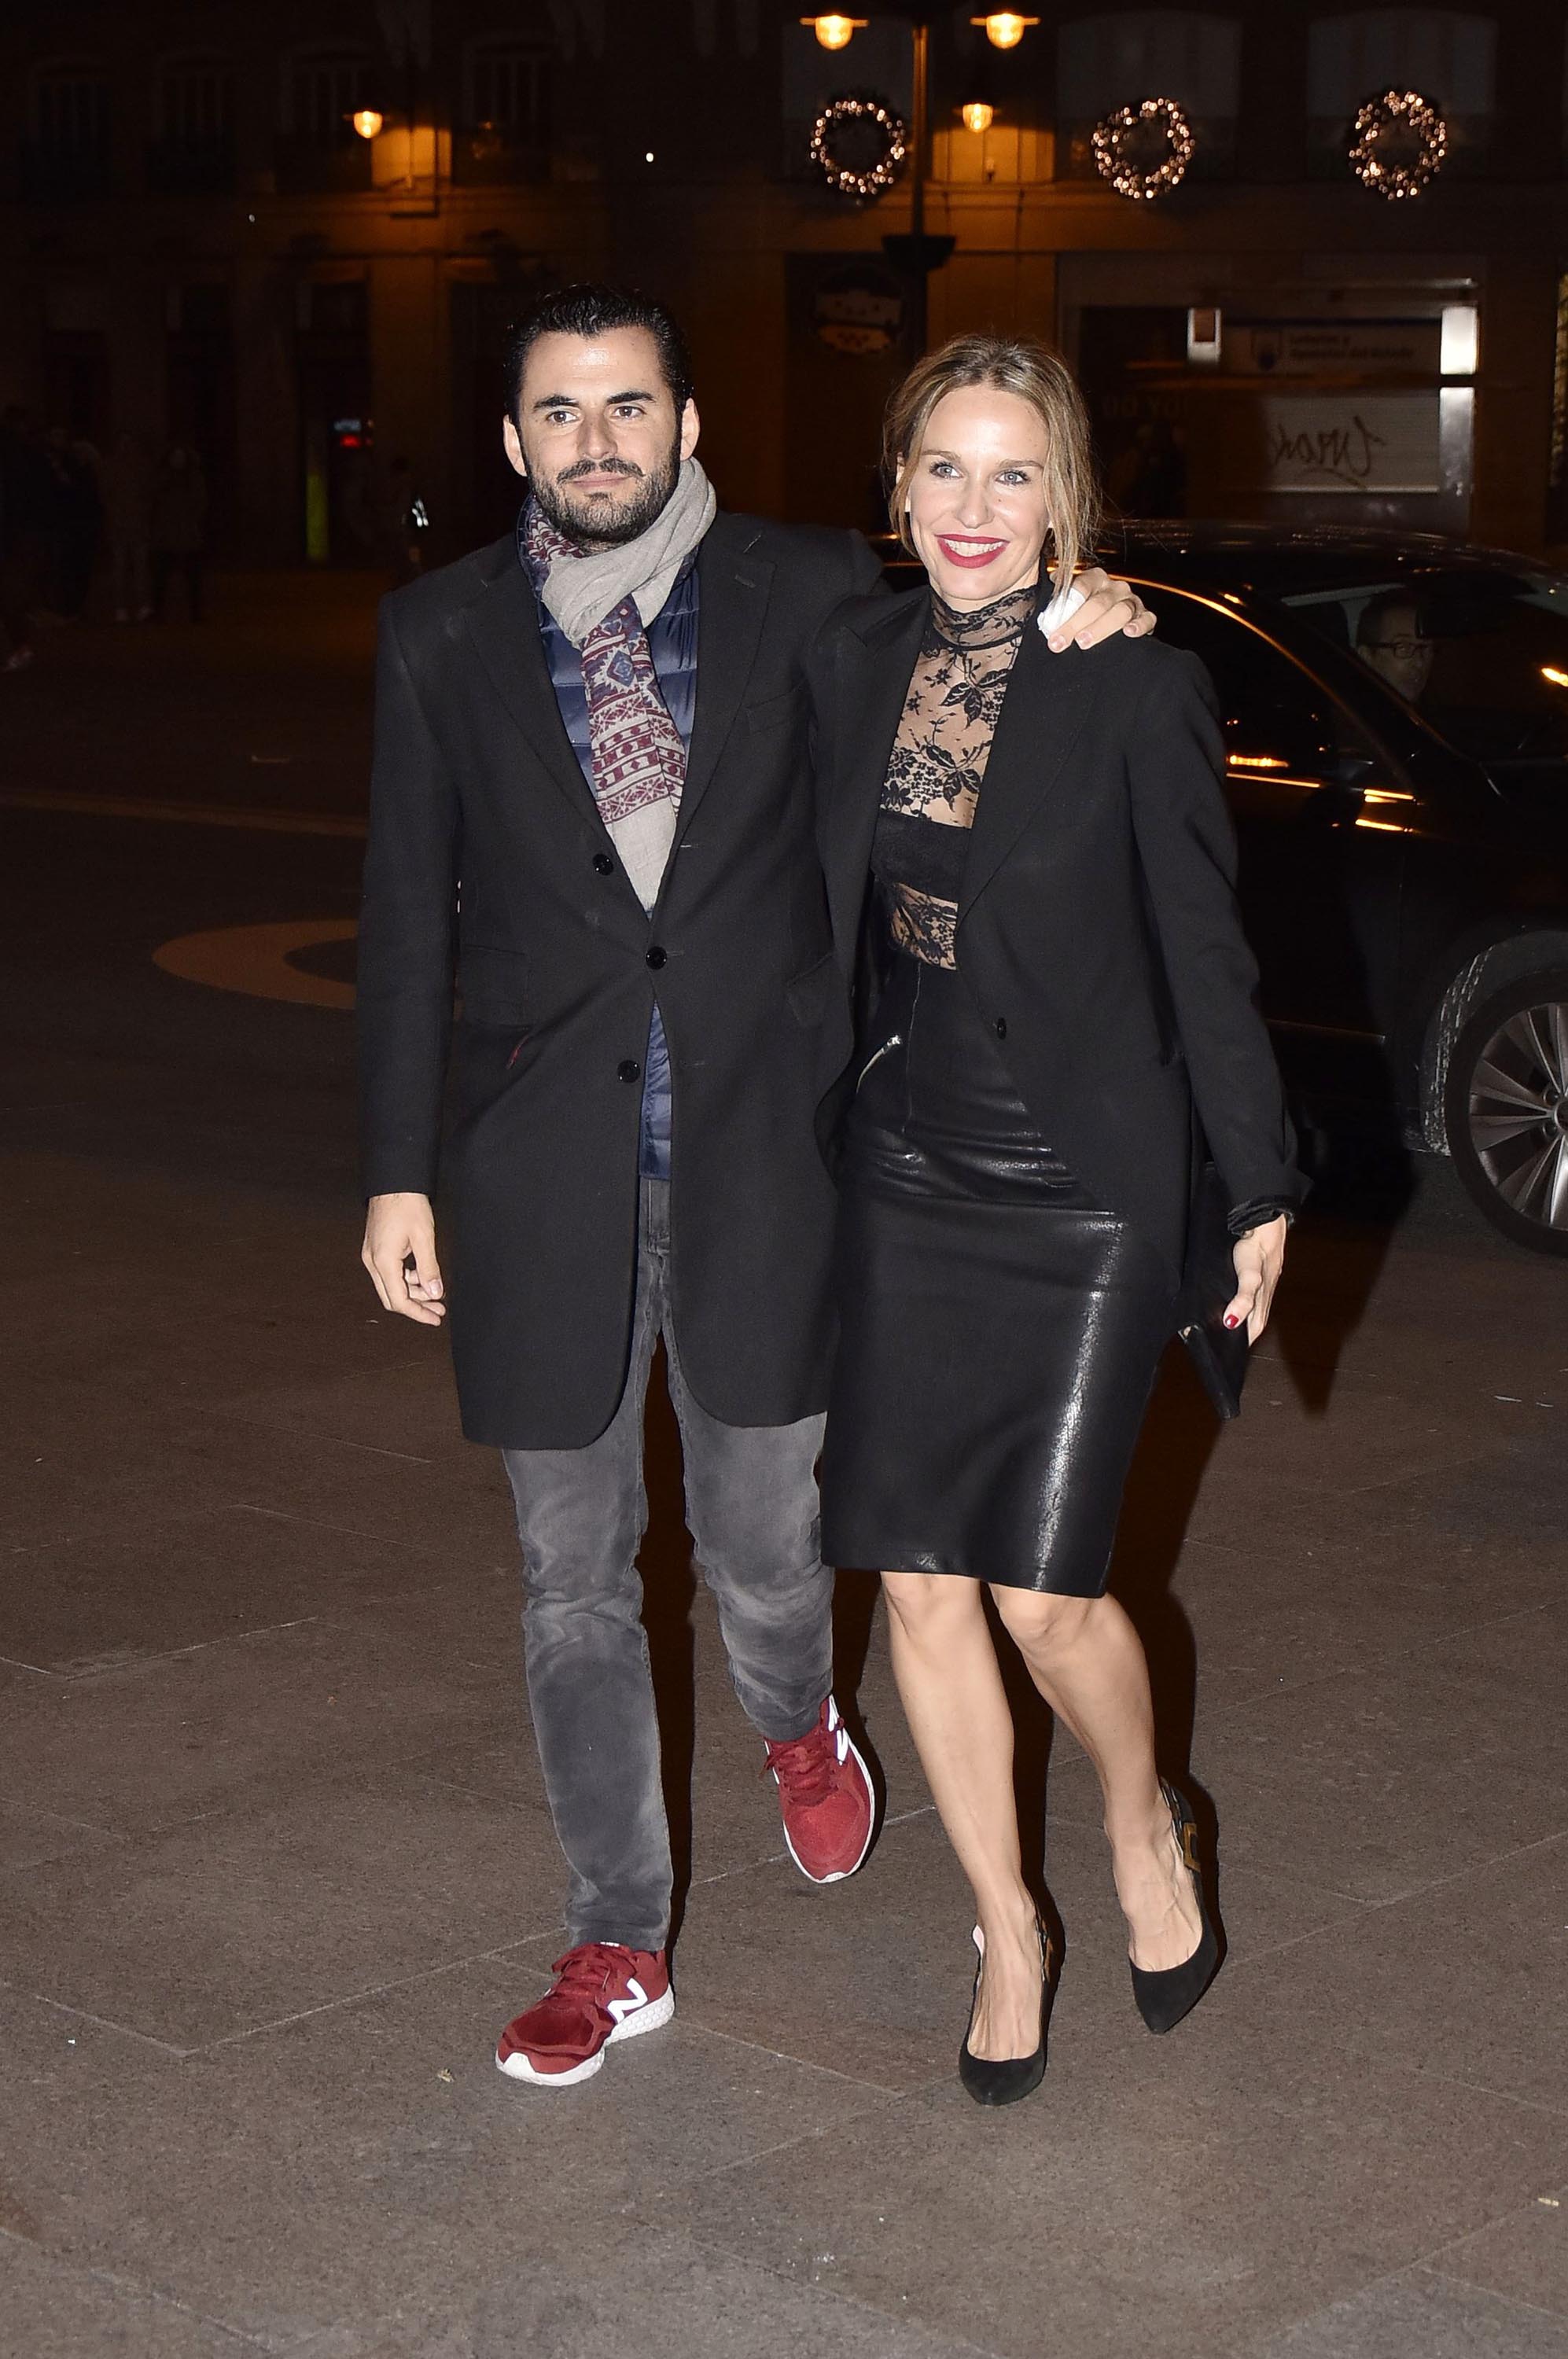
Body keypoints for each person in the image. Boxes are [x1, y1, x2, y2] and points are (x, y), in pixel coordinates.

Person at [356, 284, 1154, 2092]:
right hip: (538, 1168)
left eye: (627, 407)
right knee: (568, 1573)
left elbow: (980, 649)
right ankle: (614, 1929)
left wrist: (1079, 614)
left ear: (686, 422)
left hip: (768, 1156)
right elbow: (407, 919)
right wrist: (393, 1175)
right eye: (557, 413)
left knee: (762, 1547)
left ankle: (797, 1722)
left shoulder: (807, 597)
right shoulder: (437, 633)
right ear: (510, 442)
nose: (596, 441)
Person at [808, 334, 1299, 2107]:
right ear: (898, 484)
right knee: (918, 1590)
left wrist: (1254, 1185)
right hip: (902, 1157)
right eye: (943, 467)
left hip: (1080, 1178)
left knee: (1041, 1592)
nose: (972, 508)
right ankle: (1008, 1930)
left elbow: (1202, 955)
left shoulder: (1130, 680)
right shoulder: (851, 656)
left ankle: (1137, 1813)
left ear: (1063, 494)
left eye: (1013, 474)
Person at [149, 444, 208, 620]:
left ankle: (196, 613)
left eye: (181, 456)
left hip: (188, 533)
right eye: (175, 456)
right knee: (160, 577)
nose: (178, 460)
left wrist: (193, 521)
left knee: (193, 577)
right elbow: (153, 500)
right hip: (166, 534)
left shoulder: (194, 478)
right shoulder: (162, 477)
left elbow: (201, 502)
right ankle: (158, 612)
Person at [103, 431, 155, 622]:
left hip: (126, 525)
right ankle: (134, 606)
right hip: (132, 525)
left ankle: (124, 608)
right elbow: (149, 495)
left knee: (124, 568)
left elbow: (106, 496)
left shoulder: (113, 466)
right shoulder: (141, 467)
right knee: (132, 568)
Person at [1355, 589, 1432, 705]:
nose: (1420, 662)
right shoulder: (1352, 717)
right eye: (1403, 647)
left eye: (1425, 648)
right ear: (1367, 657)